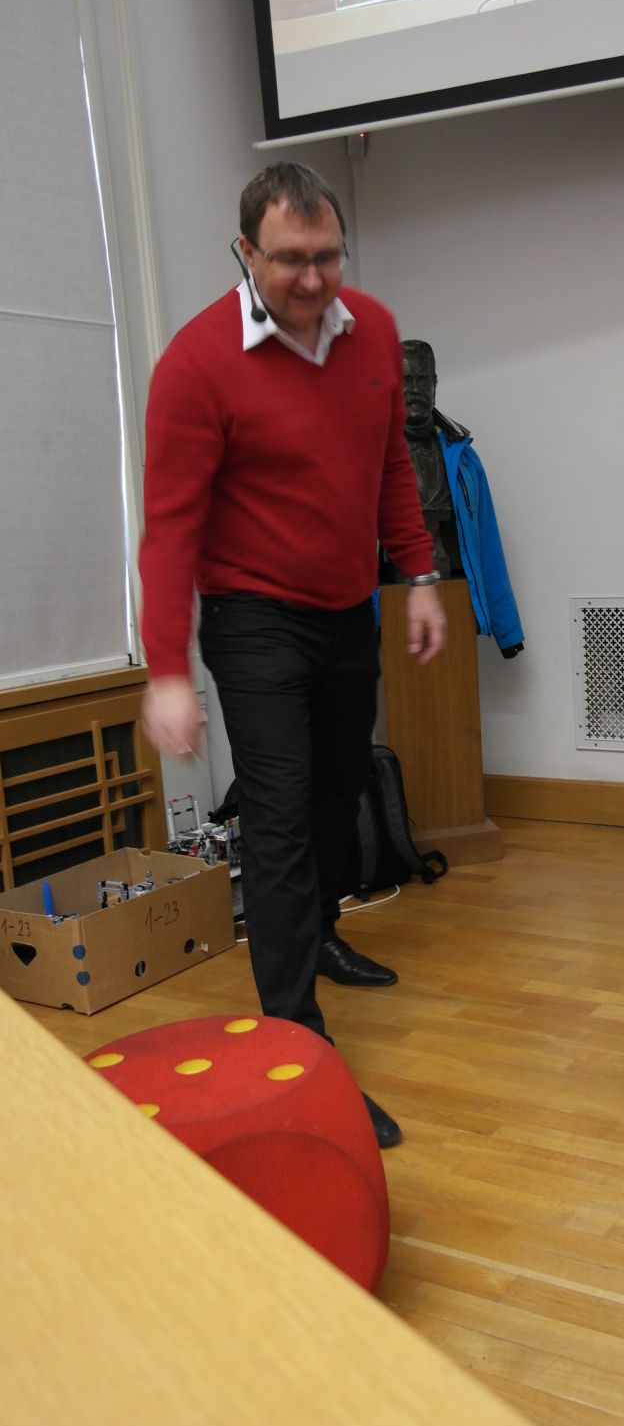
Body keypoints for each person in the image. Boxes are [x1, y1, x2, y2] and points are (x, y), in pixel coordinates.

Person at [139, 162, 446, 1146]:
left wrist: (420, 574)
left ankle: (318, 935)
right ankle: (298, 1052)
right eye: (288, 261)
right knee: (277, 817)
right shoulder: (196, 365)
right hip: (253, 617)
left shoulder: (375, 331)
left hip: (348, 606)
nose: (313, 281)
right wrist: (167, 669)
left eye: (327, 257)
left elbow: (389, 463)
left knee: (337, 790)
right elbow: (169, 531)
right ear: (245, 252)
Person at [380, 339, 524, 657]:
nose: (414, 389)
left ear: (434, 384)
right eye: (405, 380)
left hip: (453, 594)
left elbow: (488, 545)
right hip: (394, 597)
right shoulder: (371, 459)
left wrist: (507, 630)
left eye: (422, 379)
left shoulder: (464, 461)